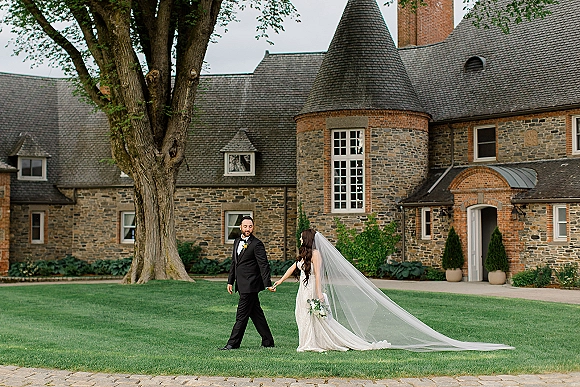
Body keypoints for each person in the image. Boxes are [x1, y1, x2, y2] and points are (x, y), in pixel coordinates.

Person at [273, 228, 515, 353]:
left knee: (318, 319)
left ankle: (317, 343)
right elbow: (291, 269)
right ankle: (307, 342)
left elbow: (319, 277)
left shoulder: (315, 254)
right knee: (302, 319)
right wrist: (278, 283)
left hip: (312, 293)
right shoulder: (302, 255)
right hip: (301, 294)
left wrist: (319, 294)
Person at [220, 216, 275, 350]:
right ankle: (268, 341)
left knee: (241, 316)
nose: (248, 229)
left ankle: (233, 343)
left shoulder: (257, 244)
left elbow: (263, 265)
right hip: (241, 283)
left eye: (250, 226)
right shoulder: (237, 241)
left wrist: (267, 283)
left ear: (253, 227)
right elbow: (234, 263)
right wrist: (230, 281)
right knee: (256, 314)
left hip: (250, 285)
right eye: (245, 226)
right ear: (240, 227)